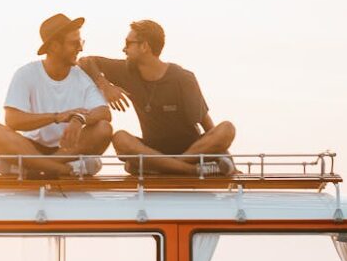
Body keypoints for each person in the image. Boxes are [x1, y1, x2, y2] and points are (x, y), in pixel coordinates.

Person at [78, 20, 236, 176]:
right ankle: (190, 170)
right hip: (152, 150)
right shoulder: (126, 71)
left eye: (128, 43)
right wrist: (105, 86)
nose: (124, 49)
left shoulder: (183, 78)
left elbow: (205, 121)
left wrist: (225, 154)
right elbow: (85, 61)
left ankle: (165, 167)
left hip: (191, 150)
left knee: (227, 129)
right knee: (120, 138)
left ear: (144, 46)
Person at [0, 13, 113, 178]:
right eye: (75, 43)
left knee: (103, 129)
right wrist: (57, 117)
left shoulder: (82, 77)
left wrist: (79, 118)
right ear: (54, 47)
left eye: (81, 42)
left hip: (67, 150)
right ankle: (55, 168)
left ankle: (40, 166)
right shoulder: (26, 74)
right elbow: (12, 120)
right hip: (30, 148)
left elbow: (104, 113)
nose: (80, 48)